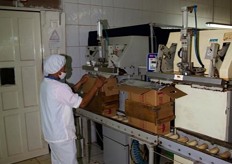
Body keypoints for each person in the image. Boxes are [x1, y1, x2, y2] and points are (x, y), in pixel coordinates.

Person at [40, 54, 105, 164]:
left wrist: (81, 82)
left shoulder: (45, 84)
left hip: (52, 133)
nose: (66, 69)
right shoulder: (60, 87)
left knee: (58, 161)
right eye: (64, 67)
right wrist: (96, 86)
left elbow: (66, 94)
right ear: (57, 69)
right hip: (62, 136)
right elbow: (82, 103)